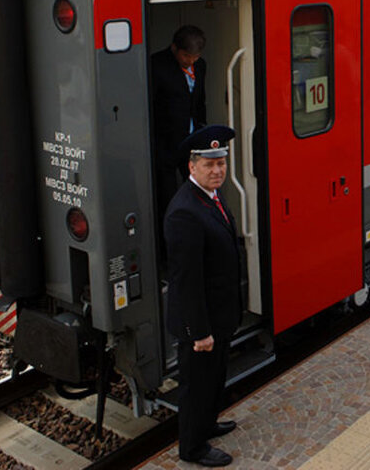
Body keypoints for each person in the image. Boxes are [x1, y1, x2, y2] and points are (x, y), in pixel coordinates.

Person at [165, 125, 242, 468]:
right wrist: (199, 332)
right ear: (191, 166)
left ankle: (207, 424)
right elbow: (186, 280)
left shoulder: (210, 195)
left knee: (214, 377)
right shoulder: (185, 211)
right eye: (209, 164)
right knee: (196, 385)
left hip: (219, 314)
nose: (217, 170)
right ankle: (192, 447)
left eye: (221, 162)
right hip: (201, 323)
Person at [152, 25, 209, 231]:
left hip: (192, 140)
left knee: (199, 190)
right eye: (186, 56)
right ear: (174, 48)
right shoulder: (156, 65)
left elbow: (199, 101)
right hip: (166, 142)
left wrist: (202, 130)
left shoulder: (200, 65)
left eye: (194, 57)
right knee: (168, 195)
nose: (190, 61)